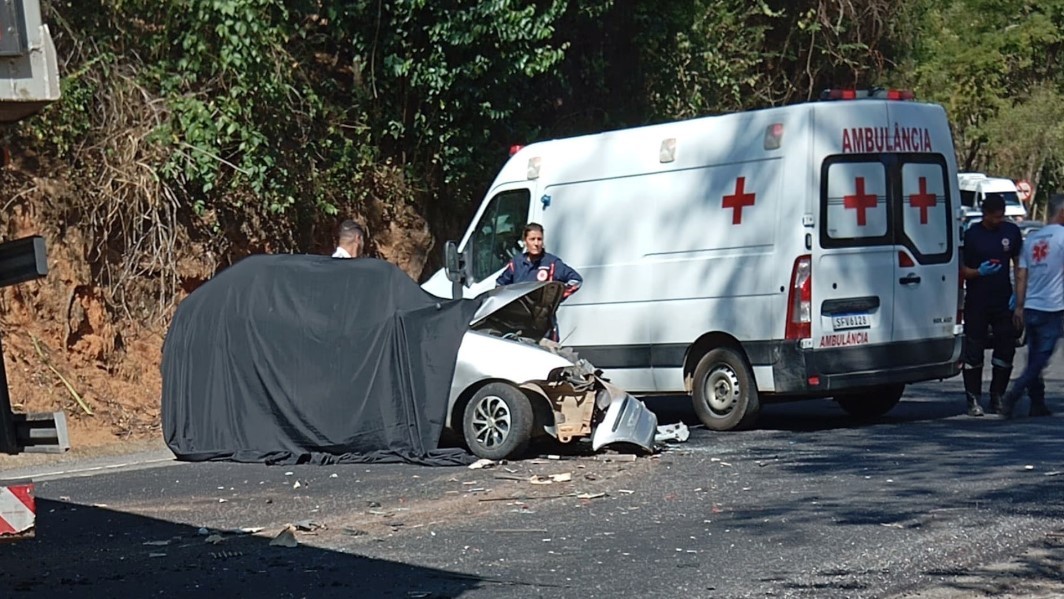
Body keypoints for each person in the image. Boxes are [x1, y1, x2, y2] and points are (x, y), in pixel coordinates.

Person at [999, 193, 1064, 419]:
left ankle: (1037, 403)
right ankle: (1014, 393)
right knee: (1040, 358)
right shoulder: (1062, 237)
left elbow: (1021, 275)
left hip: (1031, 306)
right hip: (1052, 307)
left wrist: (1019, 306)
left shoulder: (1034, 239)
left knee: (1035, 353)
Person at [960, 195, 1023, 416]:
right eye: (995, 217)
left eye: (1001, 216)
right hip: (977, 301)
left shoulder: (1011, 232)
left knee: (1006, 349)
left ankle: (997, 396)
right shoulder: (972, 236)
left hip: (1003, 300)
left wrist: (1019, 296)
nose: (999, 220)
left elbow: (1019, 265)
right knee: (974, 352)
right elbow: (960, 270)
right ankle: (973, 399)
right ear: (985, 213)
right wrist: (978, 272)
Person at [495, 223, 582, 341]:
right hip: (517, 326)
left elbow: (576, 280)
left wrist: (556, 296)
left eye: (539, 239)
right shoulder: (516, 263)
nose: (536, 243)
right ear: (525, 241)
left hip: (544, 327)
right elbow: (499, 286)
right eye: (532, 239)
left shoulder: (552, 263)